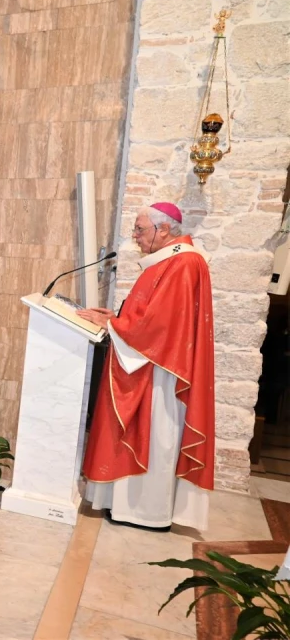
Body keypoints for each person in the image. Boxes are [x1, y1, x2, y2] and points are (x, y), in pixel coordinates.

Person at [79, 202, 215, 531]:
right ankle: (123, 505)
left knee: (155, 437)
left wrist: (115, 325)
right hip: (152, 362)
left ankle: (146, 513)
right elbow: (151, 315)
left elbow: (160, 326)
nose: (135, 236)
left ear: (163, 229)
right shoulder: (171, 260)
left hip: (161, 371)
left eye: (140, 230)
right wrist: (117, 318)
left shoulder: (184, 263)